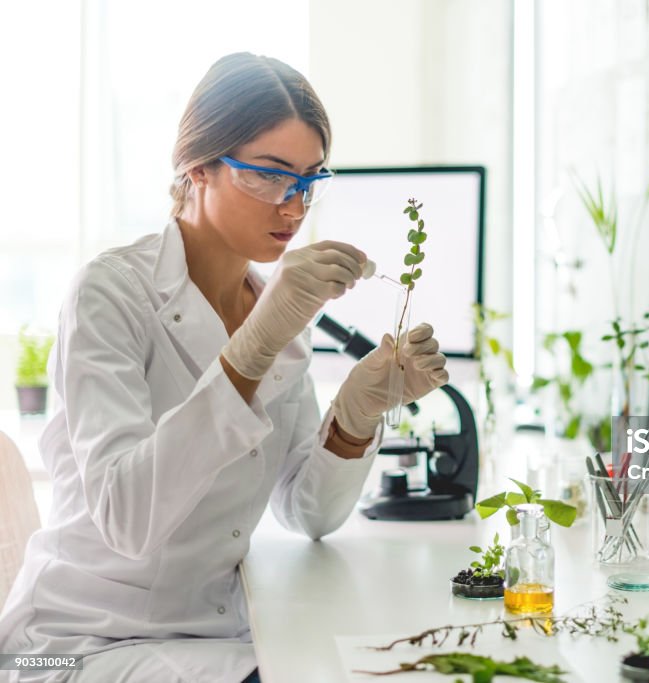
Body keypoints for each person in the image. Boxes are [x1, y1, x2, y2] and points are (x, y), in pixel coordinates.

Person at [0, 52, 448, 683]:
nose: (292, 206)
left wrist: (354, 414)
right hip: (75, 640)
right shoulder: (110, 293)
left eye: (308, 180)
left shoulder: (274, 310)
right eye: (267, 176)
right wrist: (251, 349)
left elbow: (306, 513)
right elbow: (129, 519)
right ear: (197, 167)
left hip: (212, 629)